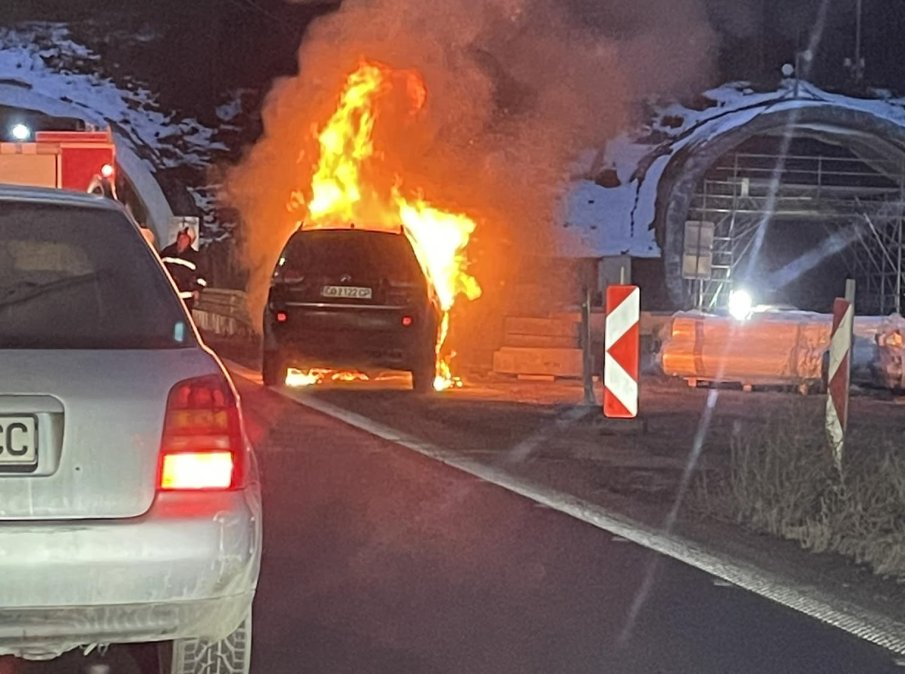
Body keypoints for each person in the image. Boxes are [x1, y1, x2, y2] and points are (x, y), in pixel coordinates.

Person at [160, 228, 207, 311]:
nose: (182, 241)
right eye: (181, 238)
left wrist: (197, 289)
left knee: (181, 323)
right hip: (165, 296)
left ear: (190, 242)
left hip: (185, 300)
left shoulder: (196, 257)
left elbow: (202, 277)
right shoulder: (166, 252)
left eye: (185, 239)